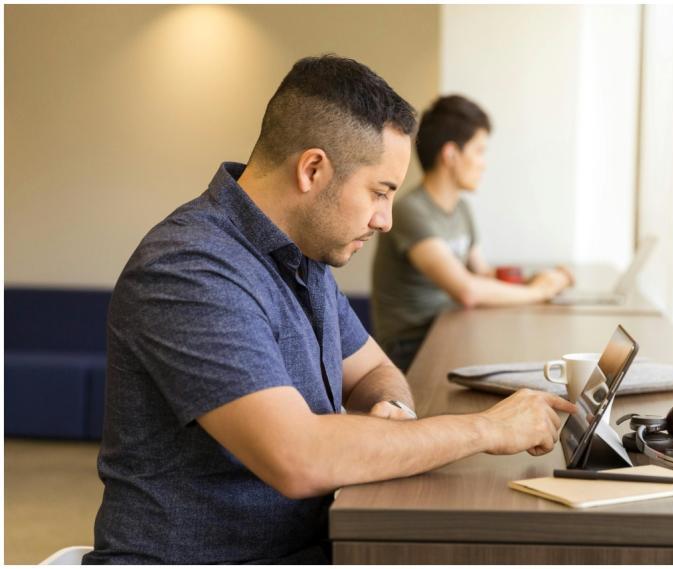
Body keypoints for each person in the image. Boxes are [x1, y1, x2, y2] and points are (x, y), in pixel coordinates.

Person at [83, 56, 576, 564]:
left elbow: (376, 371)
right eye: (379, 192)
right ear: (313, 169)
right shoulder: (189, 269)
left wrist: (395, 414)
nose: (385, 220)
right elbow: (297, 456)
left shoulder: (304, 257)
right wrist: (488, 429)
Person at [371, 95, 574, 371]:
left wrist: (535, 279)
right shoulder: (411, 211)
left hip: (450, 330)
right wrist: (539, 292)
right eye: (479, 151)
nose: (484, 163)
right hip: (413, 349)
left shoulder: (461, 209)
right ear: (451, 155)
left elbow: (482, 274)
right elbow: (467, 290)